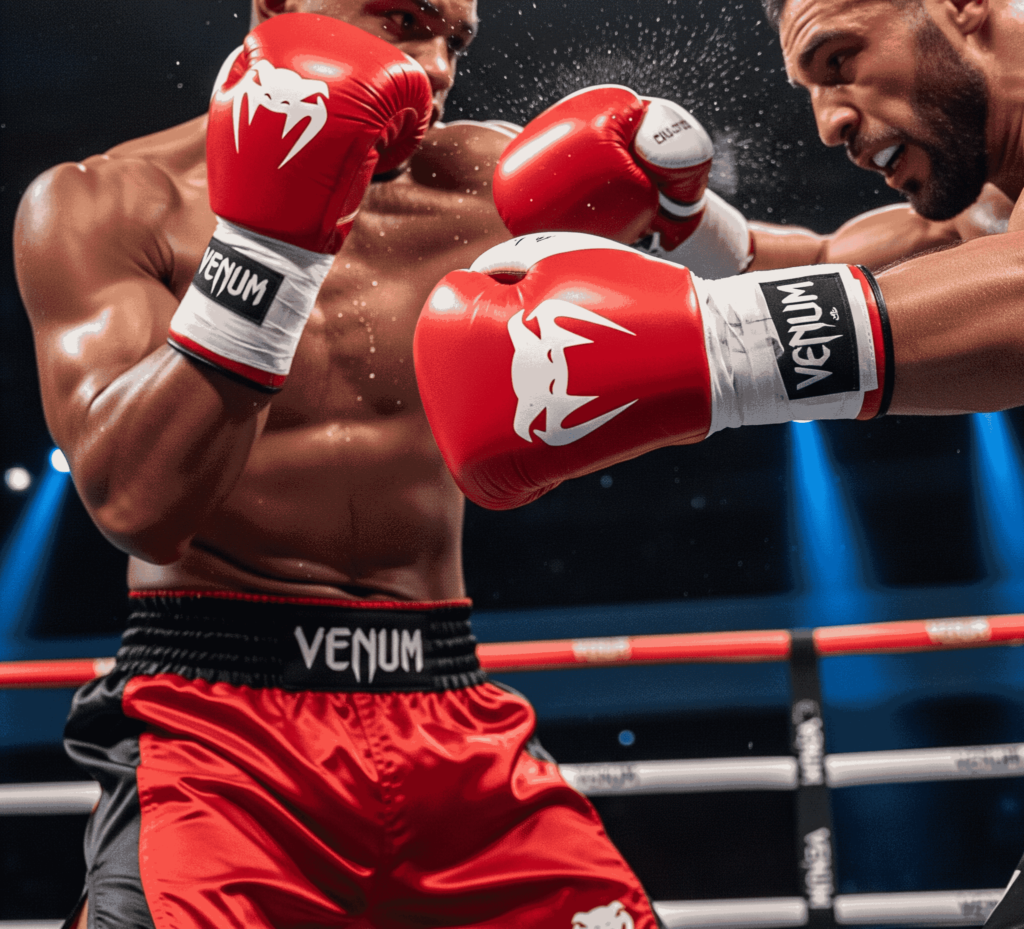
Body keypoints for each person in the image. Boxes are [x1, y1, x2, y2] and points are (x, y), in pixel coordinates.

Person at [13, 2, 672, 926]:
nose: (437, 65)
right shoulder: (110, 201)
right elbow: (133, 501)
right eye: (401, 18)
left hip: (450, 712)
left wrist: (701, 217)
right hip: (220, 733)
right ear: (276, 8)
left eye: (457, 37)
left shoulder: (493, 182)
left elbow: (815, 265)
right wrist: (269, 246)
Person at [412, 0, 1023, 923]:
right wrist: (686, 221)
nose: (831, 123)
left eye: (841, 58)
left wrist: (717, 349)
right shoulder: (992, 202)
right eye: (813, 88)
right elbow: (828, 259)